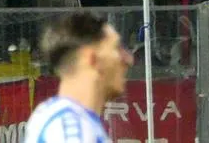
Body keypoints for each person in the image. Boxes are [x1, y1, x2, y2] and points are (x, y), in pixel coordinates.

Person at [23, 11, 133, 143]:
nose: (128, 60)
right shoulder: (71, 126)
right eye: (116, 48)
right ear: (92, 59)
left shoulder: (64, 118)